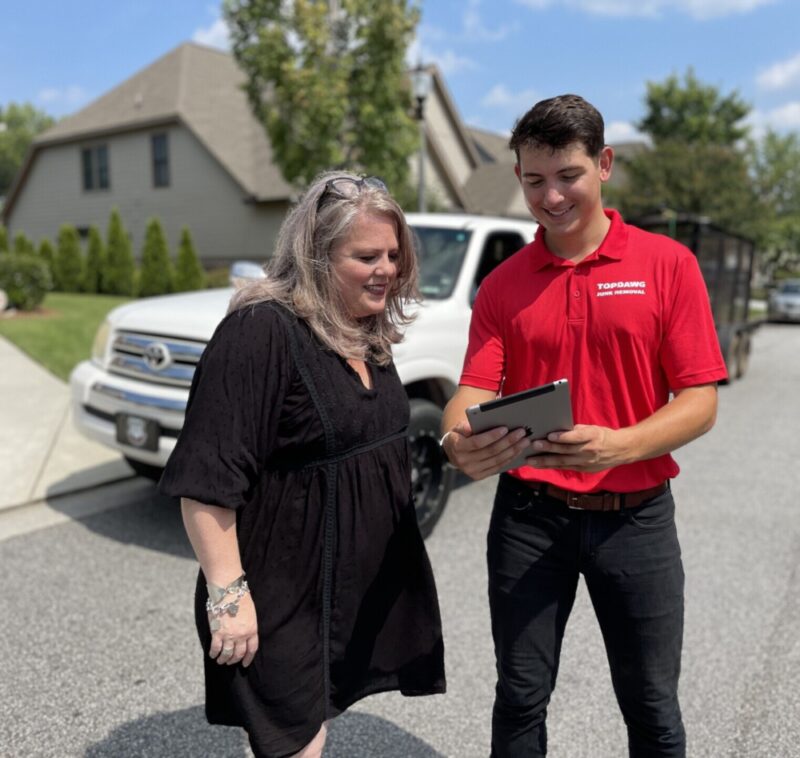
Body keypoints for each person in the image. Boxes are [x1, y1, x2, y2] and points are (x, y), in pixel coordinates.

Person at [440, 94, 726, 757]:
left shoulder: (667, 265)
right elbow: (472, 392)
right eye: (534, 180)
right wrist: (459, 442)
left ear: (603, 165)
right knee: (519, 696)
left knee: (651, 703)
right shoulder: (504, 284)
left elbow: (701, 399)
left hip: (637, 518)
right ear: (518, 178)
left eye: (567, 174)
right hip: (529, 517)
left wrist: (619, 446)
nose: (552, 195)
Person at [159, 171, 445, 758]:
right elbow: (207, 483)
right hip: (277, 592)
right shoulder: (260, 331)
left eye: (394, 254)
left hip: (344, 592)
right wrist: (229, 598)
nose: (387, 269)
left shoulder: (362, 328)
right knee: (294, 743)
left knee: (311, 727)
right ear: (315, 257)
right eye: (366, 255)